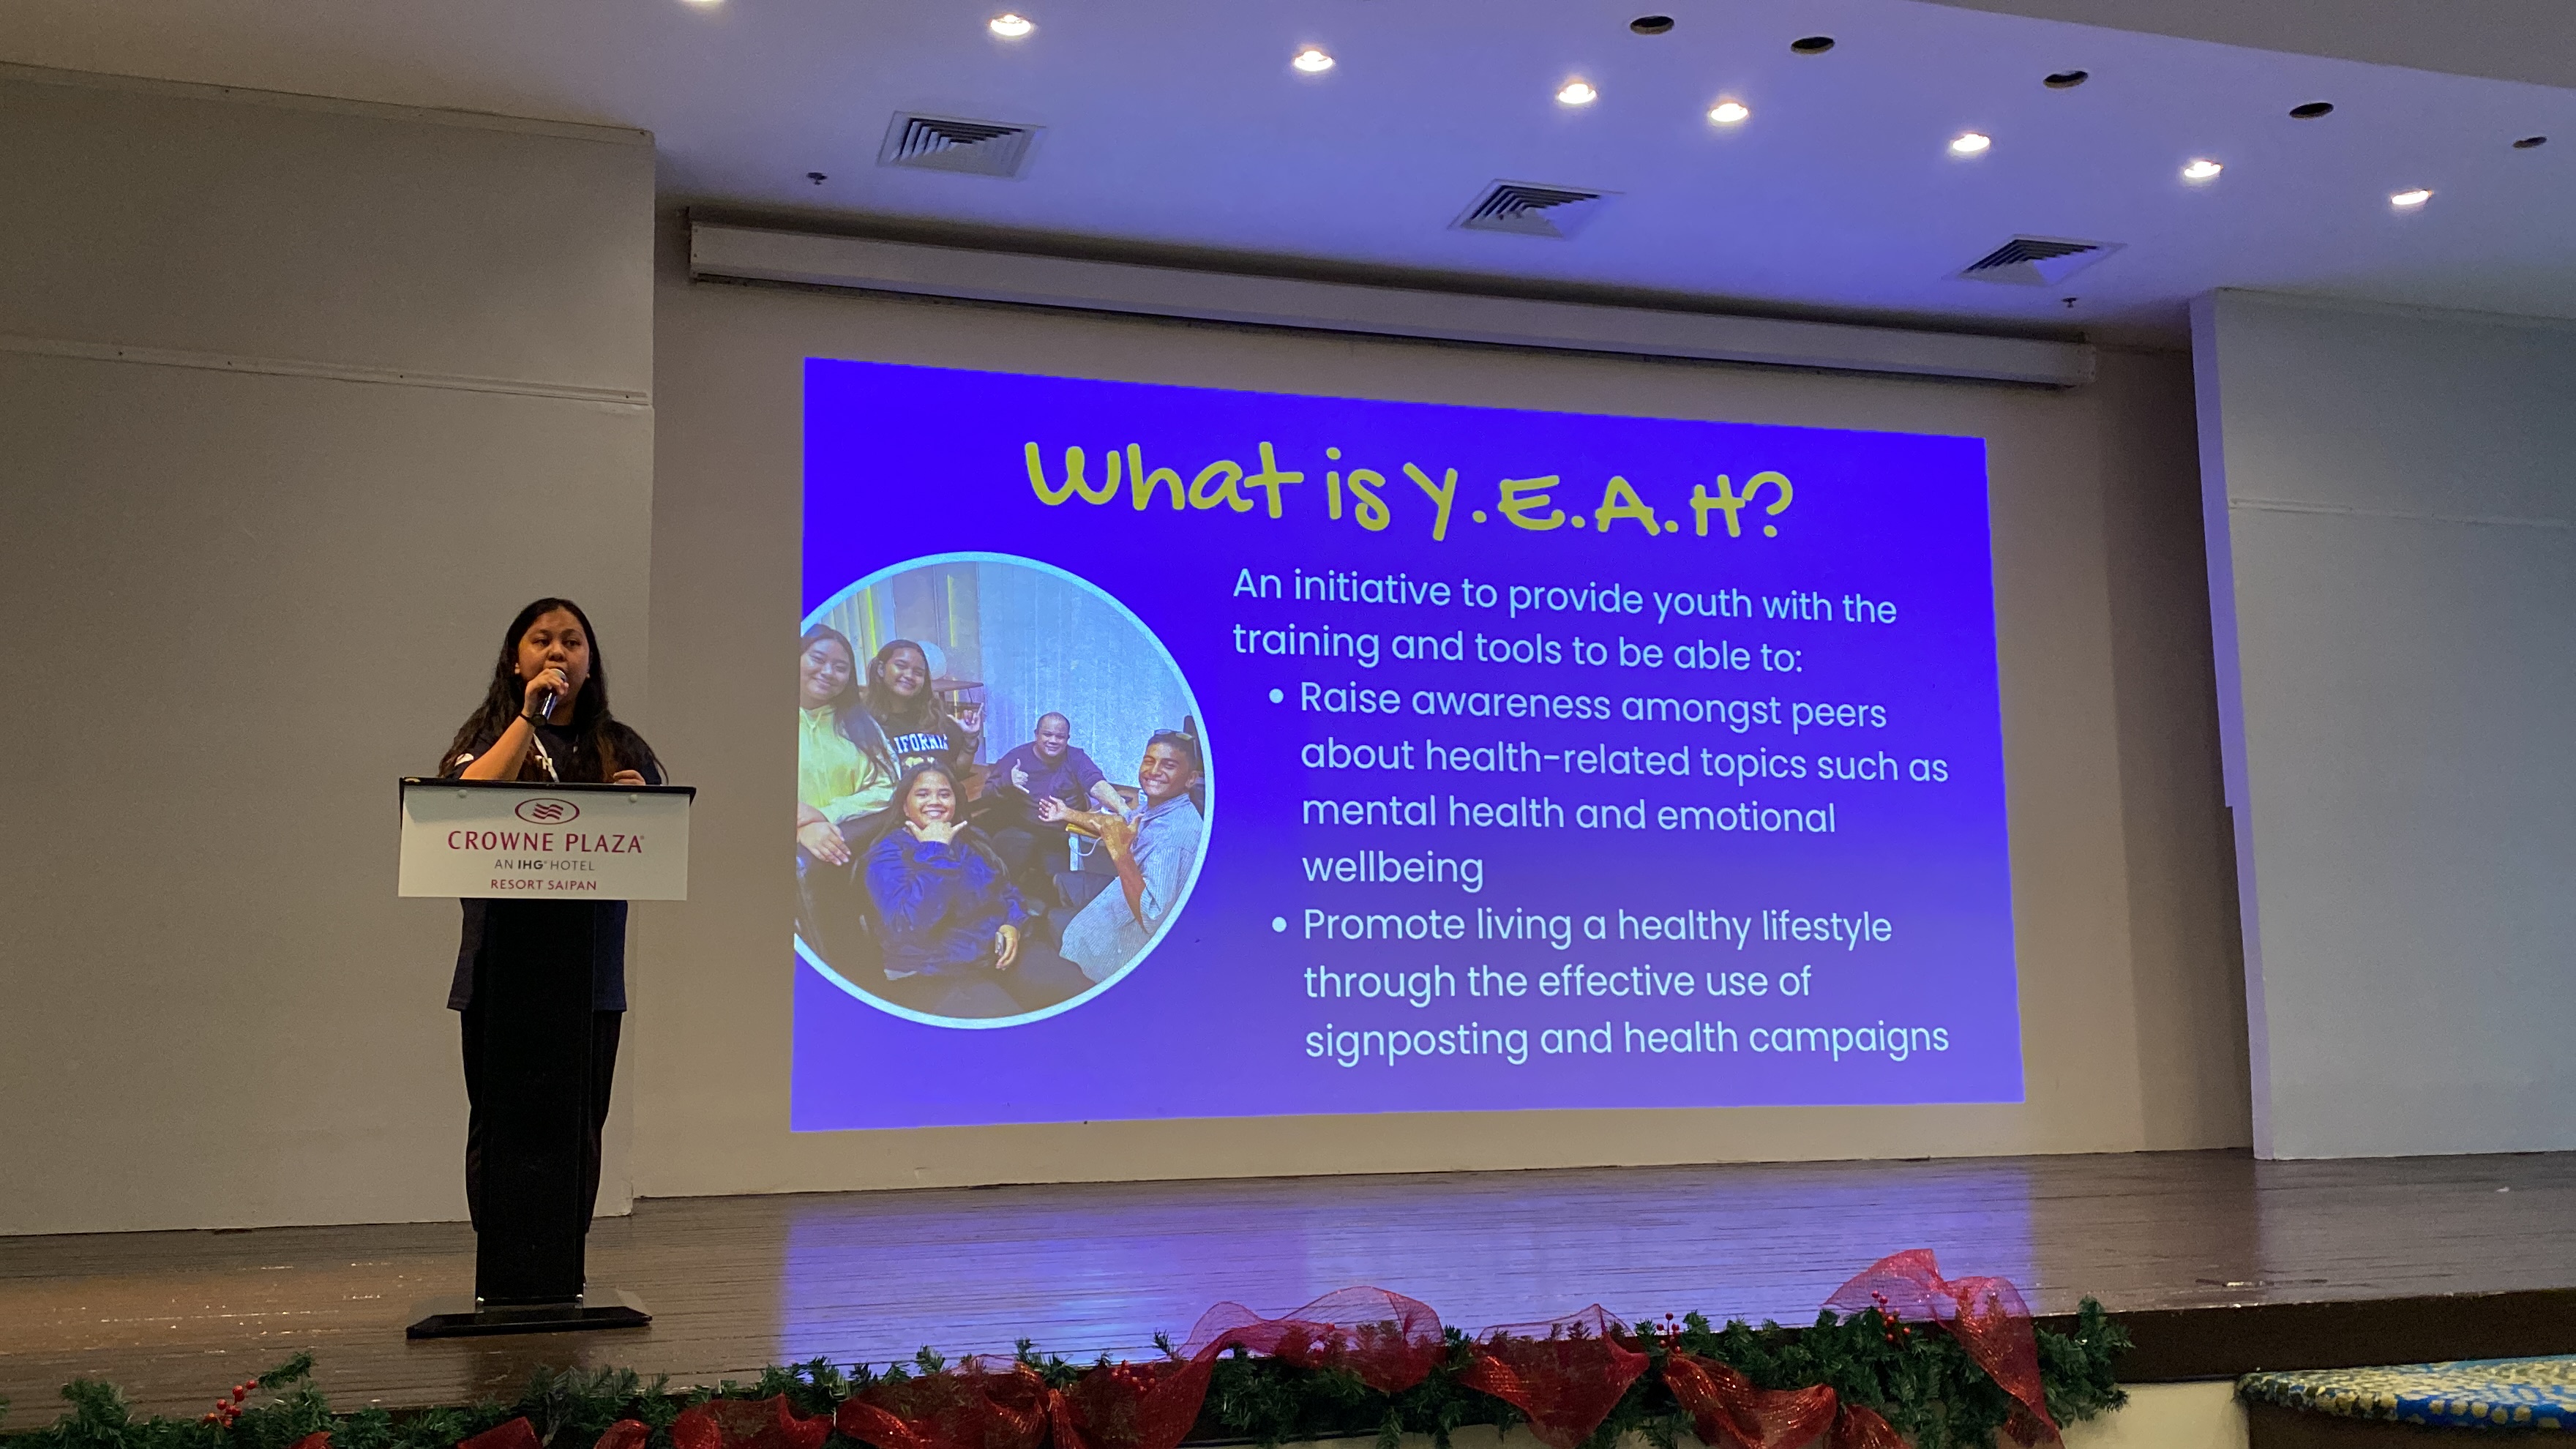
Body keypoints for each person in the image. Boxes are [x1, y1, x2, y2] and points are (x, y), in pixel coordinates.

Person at [438, 597, 662, 1232]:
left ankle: (566, 1262)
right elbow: (468, 799)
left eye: (572, 641)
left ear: (590, 663)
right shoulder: (487, 737)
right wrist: (528, 717)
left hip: (588, 972)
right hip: (500, 966)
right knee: (499, 1120)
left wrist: (639, 807)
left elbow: (656, 844)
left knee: (579, 1123)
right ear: (516, 662)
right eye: (541, 640)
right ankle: (499, 1262)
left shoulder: (619, 746)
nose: (557, 652)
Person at [863, 763, 1093, 1018]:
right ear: (905, 806)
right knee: (1010, 1029)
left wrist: (1013, 924)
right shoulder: (887, 856)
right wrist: (935, 850)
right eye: (922, 794)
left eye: (944, 794)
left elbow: (1006, 890)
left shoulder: (967, 840)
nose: (935, 801)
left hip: (994, 953)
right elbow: (909, 925)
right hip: (934, 972)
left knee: (1079, 994)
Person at [1053, 730, 1205, 983]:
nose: (1154, 771)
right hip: (1120, 898)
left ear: (1191, 779)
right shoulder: (1160, 808)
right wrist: (1067, 813)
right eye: (1149, 761)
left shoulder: (1174, 839)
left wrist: (1121, 855)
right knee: (1061, 880)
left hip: (1129, 940)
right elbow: (1120, 822)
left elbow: (1152, 916)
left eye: (1168, 766)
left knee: (1053, 921)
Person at [986, 712, 1127, 896]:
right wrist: (1007, 781)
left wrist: (1124, 810)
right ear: (1036, 734)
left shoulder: (1075, 757)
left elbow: (1096, 783)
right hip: (1025, 829)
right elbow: (986, 794)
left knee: (1062, 888)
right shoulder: (1017, 757)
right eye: (1047, 734)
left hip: (1064, 833)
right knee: (1001, 877)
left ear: (1067, 739)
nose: (1053, 741)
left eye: (1060, 737)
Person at [795, 625, 891, 869]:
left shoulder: (860, 723)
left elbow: (889, 786)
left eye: (840, 668)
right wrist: (800, 830)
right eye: (818, 659)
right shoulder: (757, 720)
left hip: (857, 847)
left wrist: (827, 814)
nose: (828, 672)